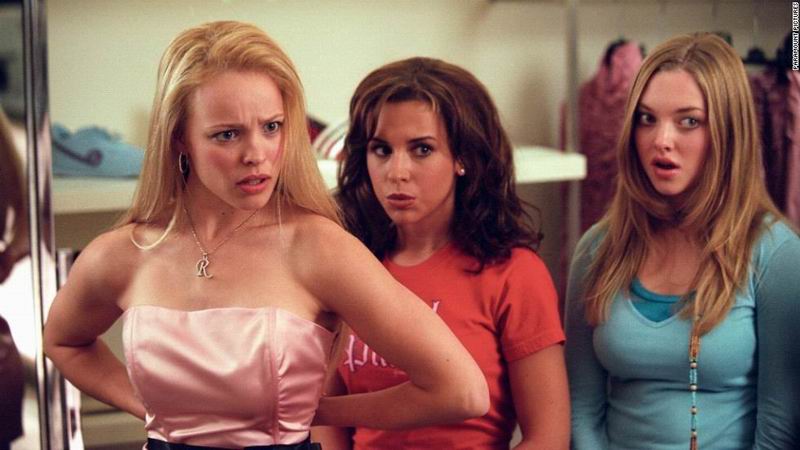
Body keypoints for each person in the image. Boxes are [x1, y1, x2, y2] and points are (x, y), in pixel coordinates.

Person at [43, 21, 489, 450]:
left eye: (271, 127)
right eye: (227, 135)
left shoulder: (319, 247)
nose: (256, 154)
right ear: (179, 138)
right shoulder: (125, 252)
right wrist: (152, 410)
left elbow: (460, 390)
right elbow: (63, 342)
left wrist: (312, 413)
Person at [313, 57, 569, 450]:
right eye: (382, 150)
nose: (397, 171)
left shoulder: (514, 273)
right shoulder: (350, 267)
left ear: (463, 158)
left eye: (421, 149)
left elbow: (549, 438)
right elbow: (325, 418)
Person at [565, 32, 800, 450]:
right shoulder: (597, 249)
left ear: (728, 133)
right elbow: (581, 407)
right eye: (647, 118)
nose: (661, 140)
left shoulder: (775, 253)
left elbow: (780, 421)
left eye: (688, 121)